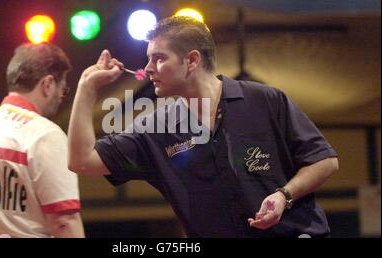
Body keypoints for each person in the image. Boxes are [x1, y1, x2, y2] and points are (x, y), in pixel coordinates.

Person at [68, 16, 339, 237]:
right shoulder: (155, 127)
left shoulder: (265, 100)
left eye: (159, 58)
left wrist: (284, 195)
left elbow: (325, 161)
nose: (148, 68)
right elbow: (81, 161)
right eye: (148, 59)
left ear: (192, 60)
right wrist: (86, 88)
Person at [0, 42, 85, 238]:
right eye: (63, 89)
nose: (60, 96)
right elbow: (64, 222)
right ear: (48, 84)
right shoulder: (45, 134)